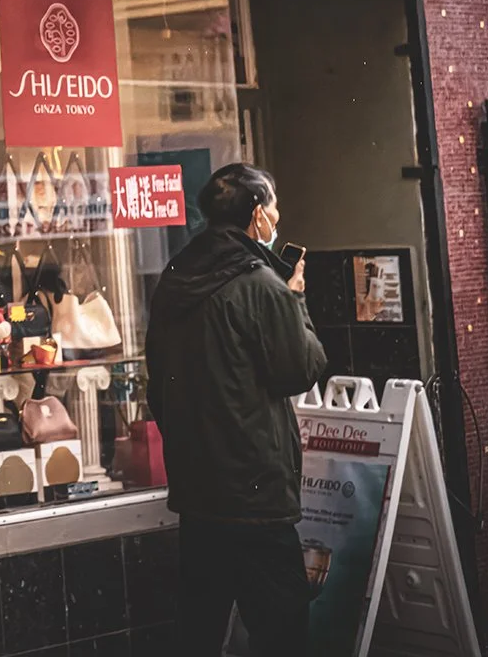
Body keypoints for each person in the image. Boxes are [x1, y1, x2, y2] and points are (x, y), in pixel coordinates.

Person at [146, 163, 326, 657]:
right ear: (254, 214)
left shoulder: (174, 279)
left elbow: (157, 390)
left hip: (198, 494)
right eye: (271, 204)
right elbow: (301, 369)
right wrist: (297, 301)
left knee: (200, 629)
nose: (278, 214)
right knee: (282, 629)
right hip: (256, 498)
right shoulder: (263, 285)